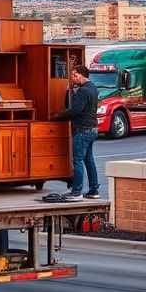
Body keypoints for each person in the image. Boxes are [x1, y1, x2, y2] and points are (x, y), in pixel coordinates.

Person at [53, 64, 99, 201]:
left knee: (78, 160)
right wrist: (70, 91)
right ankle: (94, 190)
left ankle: (76, 192)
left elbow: (75, 110)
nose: (72, 78)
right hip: (93, 129)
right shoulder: (93, 88)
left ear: (81, 74)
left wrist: (57, 116)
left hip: (82, 129)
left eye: (74, 75)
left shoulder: (83, 91)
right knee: (89, 160)